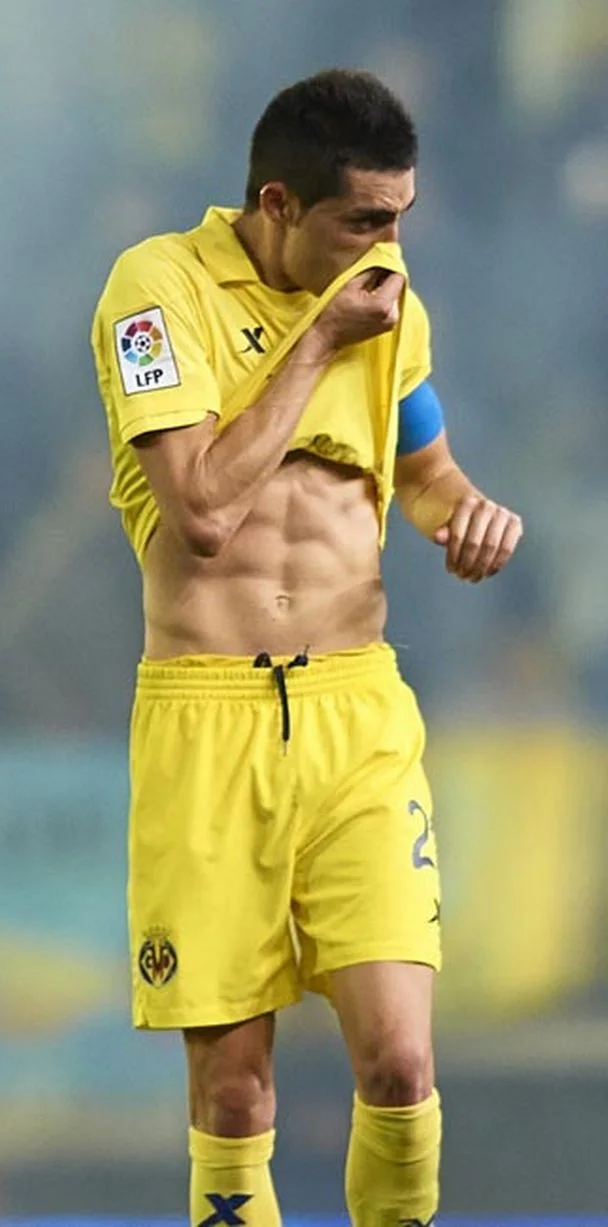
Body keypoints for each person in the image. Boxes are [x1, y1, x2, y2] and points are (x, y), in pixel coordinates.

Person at [90, 69, 523, 1227]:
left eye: (400, 218)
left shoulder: (390, 308)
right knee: (234, 1094)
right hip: (208, 718)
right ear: (278, 205)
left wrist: (466, 515)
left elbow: (425, 469)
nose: (389, 248)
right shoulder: (156, 292)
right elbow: (200, 510)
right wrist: (319, 335)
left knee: (401, 1066)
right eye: (364, 221)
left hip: (354, 713)